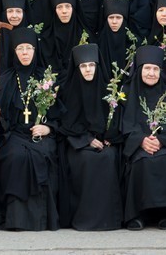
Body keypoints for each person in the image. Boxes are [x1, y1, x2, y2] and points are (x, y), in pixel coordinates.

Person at [0, 27, 63, 231]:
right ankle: (16, 220)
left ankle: (41, 220)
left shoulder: (46, 79)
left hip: (40, 135)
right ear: (14, 52)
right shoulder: (4, 79)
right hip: (13, 135)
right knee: (16, 156)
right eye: (20, 48)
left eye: (29, 48)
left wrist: (48, 128)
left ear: (35, 50)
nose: (25, 53)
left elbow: (60, 116)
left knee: (42, 153)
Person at [121, 45, 166, 230]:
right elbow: (121, 126)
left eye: (155, 69)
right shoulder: (127, 92)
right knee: (141, 162)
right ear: (139, 69)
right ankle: (137, 215)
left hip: (164, 146)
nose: (151, 73)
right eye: (147, 68)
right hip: (137, 147)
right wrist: (140, 141)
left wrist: (161, 141)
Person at [57, 44, 123, 231]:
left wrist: (109, 137)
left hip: (104, 143)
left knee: (108, 157)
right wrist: (86, 139)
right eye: (83, 66)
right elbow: (64, 124)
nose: (88, 70)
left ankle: (108, 220)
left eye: (91, 65)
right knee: (87, 159)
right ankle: (84, 218)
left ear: (97, 66)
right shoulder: (67, 91)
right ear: (77, 68)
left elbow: (117, 120)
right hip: (77, 144)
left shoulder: (108, 90)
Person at [39, 0, 88, 84]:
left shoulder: (86, 35)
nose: (64, 11)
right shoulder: (45, 40)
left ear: (73, 8)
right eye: (59, 7)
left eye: (68, 6)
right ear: (54, 9)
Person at [96, 0, 132, 72]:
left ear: (124, 19)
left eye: (118, 17)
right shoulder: (98, 44)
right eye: (111, 17)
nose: (114, 22)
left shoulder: (133, 44)